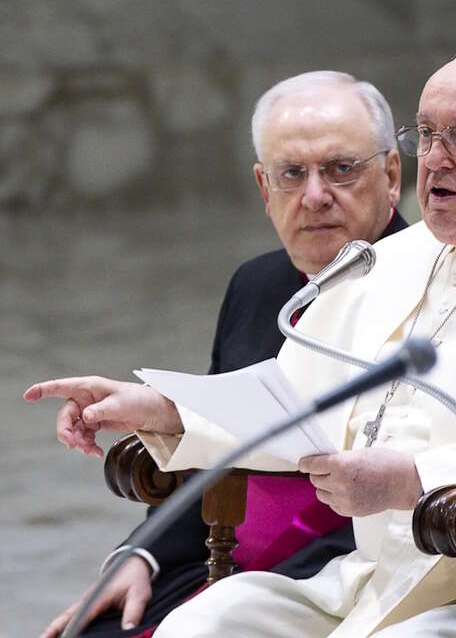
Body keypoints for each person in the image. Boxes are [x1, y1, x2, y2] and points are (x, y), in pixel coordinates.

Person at [27, 49, 456, 637]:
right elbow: (295, 404)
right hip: (384, 575)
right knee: (211, 620)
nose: (435, 160)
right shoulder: (396, 259)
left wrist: (412, 479)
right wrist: (161, 410)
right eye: (427, 135)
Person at [29, 70, 407, 638]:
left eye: (341, 169)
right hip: (215, 560)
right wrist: (140, 555)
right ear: (263, 189)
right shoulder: (256, 285)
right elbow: (212, 454)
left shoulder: (426, 291)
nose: (314, 195)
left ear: (393, 174)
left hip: (339, 584)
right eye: (291, 174)